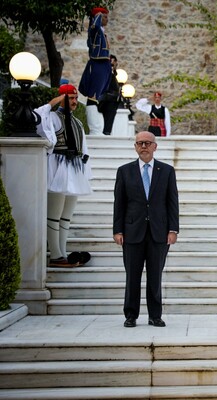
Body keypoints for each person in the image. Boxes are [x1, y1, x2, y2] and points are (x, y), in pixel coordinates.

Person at [113, 131, 179, 328]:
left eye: (148, 143)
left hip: (159, 232)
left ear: (155, 146)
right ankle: (131, 315)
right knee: (132, 276)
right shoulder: (124, 171)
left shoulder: (166, 171)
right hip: (132, 232)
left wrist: (173, 229)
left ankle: (155, 315)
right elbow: (120, 203)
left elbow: (172, 202)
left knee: (155, 275)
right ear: (135, 146)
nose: (144, 146)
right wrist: (118, 230)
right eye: (140, 143)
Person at [35, 84, 93, 267]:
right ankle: (55, 255)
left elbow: (84, 150)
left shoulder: (78, 122)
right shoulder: (52, 117)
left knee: (66, 215)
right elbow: (36, 116)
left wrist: (85, 174)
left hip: (74, 170)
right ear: (61, 100)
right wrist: (54, 102)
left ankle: (62, 253)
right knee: (54, 214)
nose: (74, 102)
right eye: (70, 98)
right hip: (58, 169)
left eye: (75, 98)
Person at [78, 6, 112, 136]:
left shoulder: (102, 32)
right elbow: (95, 26)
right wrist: (97, 15)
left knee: (98, 96)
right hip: (97, 63)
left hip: (103, 64)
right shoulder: (95, 30)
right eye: (104, 16)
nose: (107, 19)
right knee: (93, 96)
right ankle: (95, 129)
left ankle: (98, 129)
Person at [98, 54, 120, 136]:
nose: (113, 65)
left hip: (112, 100)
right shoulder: (105, 72)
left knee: (109, 120)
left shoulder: (113, 74)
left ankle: (107, 132)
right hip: (107, 99)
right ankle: (106, 133)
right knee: (107, 120)